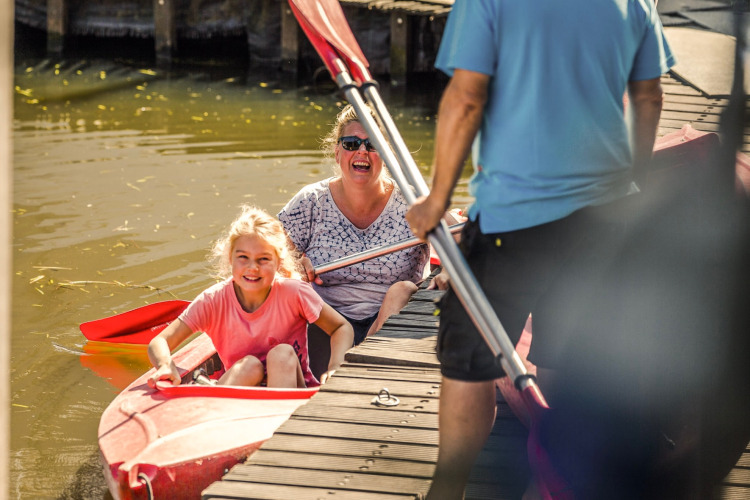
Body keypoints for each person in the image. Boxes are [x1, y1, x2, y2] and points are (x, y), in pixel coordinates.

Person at [405, 1, 674, 498]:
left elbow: (466, 98)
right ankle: (558, 477)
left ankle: (449, 488)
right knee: (570, 361)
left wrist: (436, 200)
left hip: (514, 218)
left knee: (471, 362)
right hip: (604, 219)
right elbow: (649, 97)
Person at [279, 104, 454, 349]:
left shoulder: (413, 203)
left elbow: (463, 237)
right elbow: (269, 248)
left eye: (373, 145)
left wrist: (450, 269)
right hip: (325, 320)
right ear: (337, 152)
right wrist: (292, 263)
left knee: (401, 290)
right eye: (351, 143)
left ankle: (363, 358)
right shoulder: (311, 201)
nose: (362, 151)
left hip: (392, 323)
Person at [148, 205, 354, 388]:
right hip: (241, 393)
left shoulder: (295, 292)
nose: (252, 268)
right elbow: (159, 342)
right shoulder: (212, 300)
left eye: (263, 259)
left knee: (281, 354)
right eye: (243, 258)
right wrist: (166, 365)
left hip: (290, 395)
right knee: (249, 365)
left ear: (278, 262)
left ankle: (275, 424)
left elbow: (341, 327)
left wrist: (336, 367)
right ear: (230, 258)